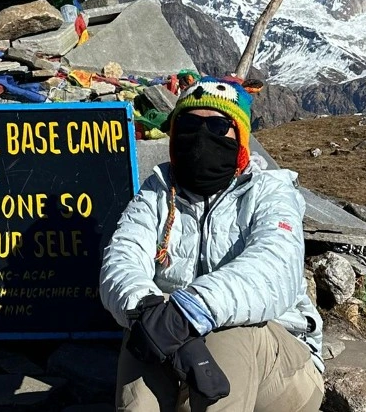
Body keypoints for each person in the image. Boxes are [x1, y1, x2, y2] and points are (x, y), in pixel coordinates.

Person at [101, 77, 324, 412]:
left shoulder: (271, 193)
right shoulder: (159, 190)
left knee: (228, 329)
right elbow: (122, 258)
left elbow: (273, 270)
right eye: (190, 125)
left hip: (280, 374)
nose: (202, 137)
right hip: (180, 350)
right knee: (147, 325)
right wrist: (151, 312)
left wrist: (187, 312)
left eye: (219, 127)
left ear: (241, 138)